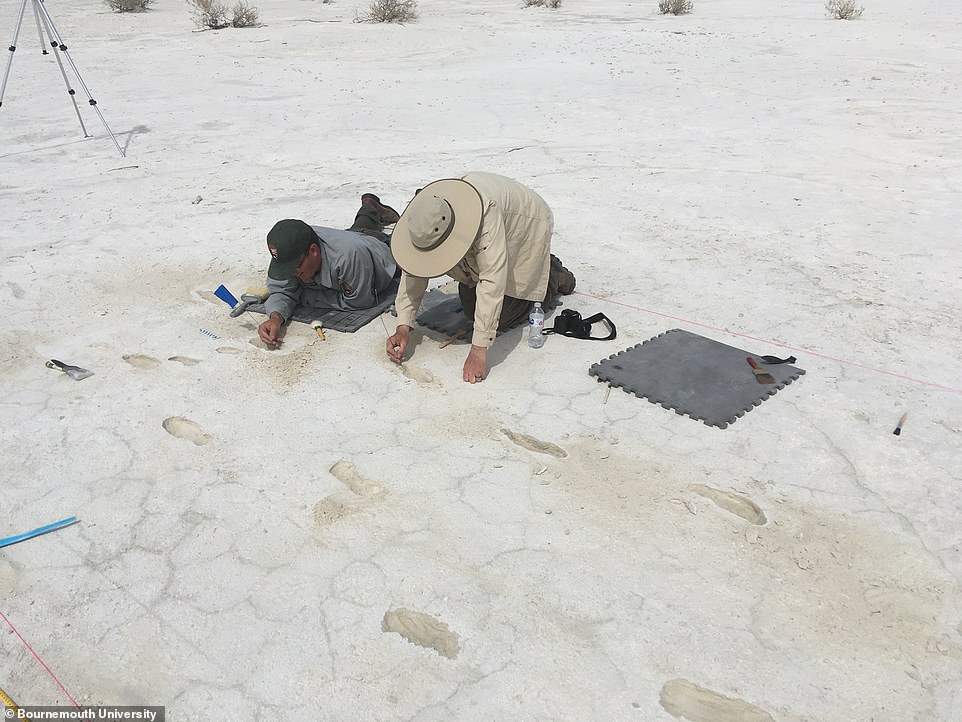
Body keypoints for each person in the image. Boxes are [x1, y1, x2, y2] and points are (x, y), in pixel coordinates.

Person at [386, 172, 575, 383]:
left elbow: (492, 278)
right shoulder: (424, 217)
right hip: (499, 224)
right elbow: (415, 269)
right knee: (471, 307)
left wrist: (479, 349)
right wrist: (403, 326)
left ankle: (551, 276)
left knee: (503, 316)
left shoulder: (485, 217)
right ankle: (539, 268)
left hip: (527, 221)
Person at [258, 194, 400, 348]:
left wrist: (304, 296)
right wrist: (275, 318)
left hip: (382, 250)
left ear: (313, 251)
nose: (292, 273)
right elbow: (281, 290)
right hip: (351, 236)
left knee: (411, 242)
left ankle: (418, 203)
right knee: (359, 228)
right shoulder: (290, 250)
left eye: (295, 267)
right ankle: (370, 207)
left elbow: (359, 301)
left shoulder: (348, 257)